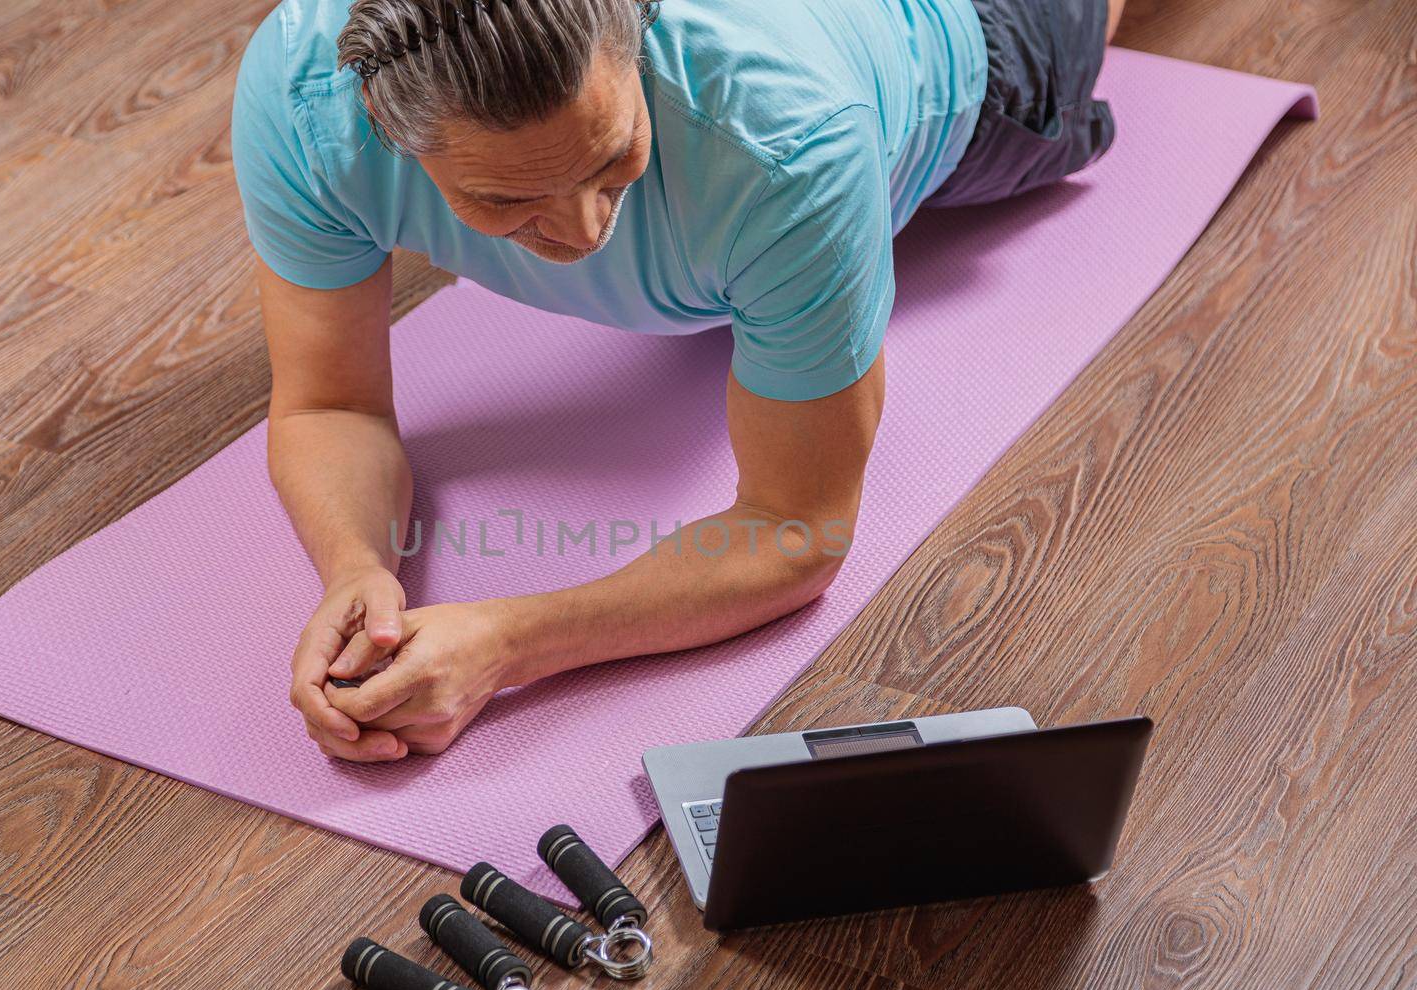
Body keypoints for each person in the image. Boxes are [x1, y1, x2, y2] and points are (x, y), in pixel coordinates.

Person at [231, 0, 1125, 761]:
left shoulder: (791, 142)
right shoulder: (309, 103)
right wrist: (354, 566)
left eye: (613, 154)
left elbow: (794, 528)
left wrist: (508, 644)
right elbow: (330, 402)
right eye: (506, 200)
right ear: (383, 132)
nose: (583, 232)